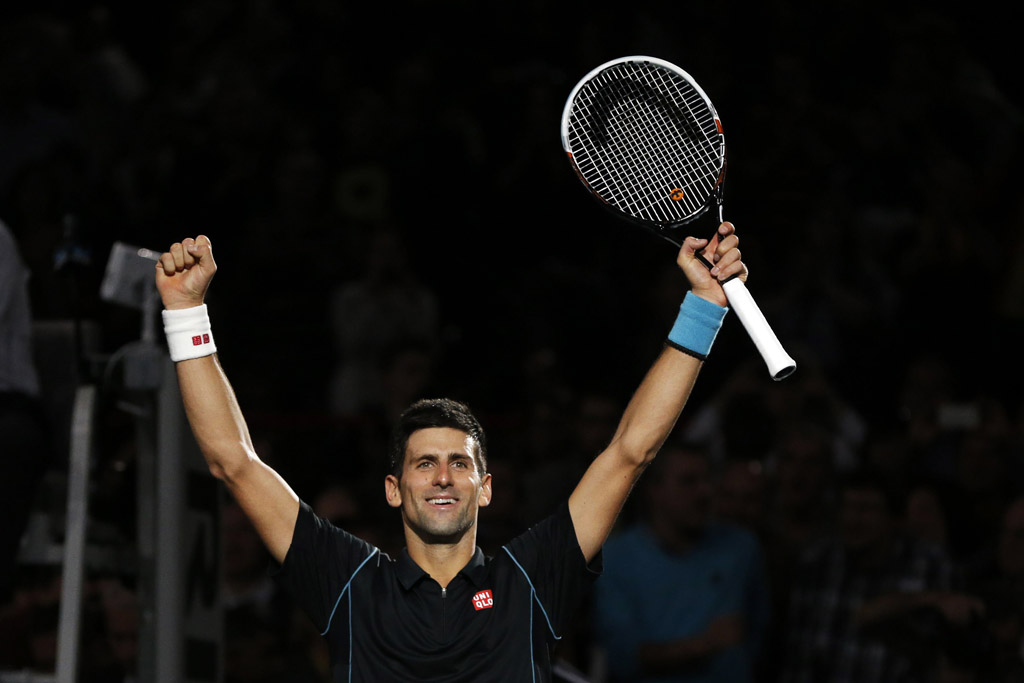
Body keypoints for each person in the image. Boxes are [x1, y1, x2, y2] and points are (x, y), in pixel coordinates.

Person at [153, 222, 748, 682]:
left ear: (485, 487)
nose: (443, 477)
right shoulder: (350, 584)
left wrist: (703, 306)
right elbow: (234, 461)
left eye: (460, 463)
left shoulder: (532, 580)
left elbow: (630, 452)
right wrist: (185, 313)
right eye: (424, 463)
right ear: (393, 488)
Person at [594, 443, 771, 682]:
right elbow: (624, 656)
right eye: (689, 481)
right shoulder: (617, 559)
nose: (705, 491)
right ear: (654, 489)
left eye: (708, 479)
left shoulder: (741, 548)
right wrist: (704, 644)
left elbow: (759, 631)